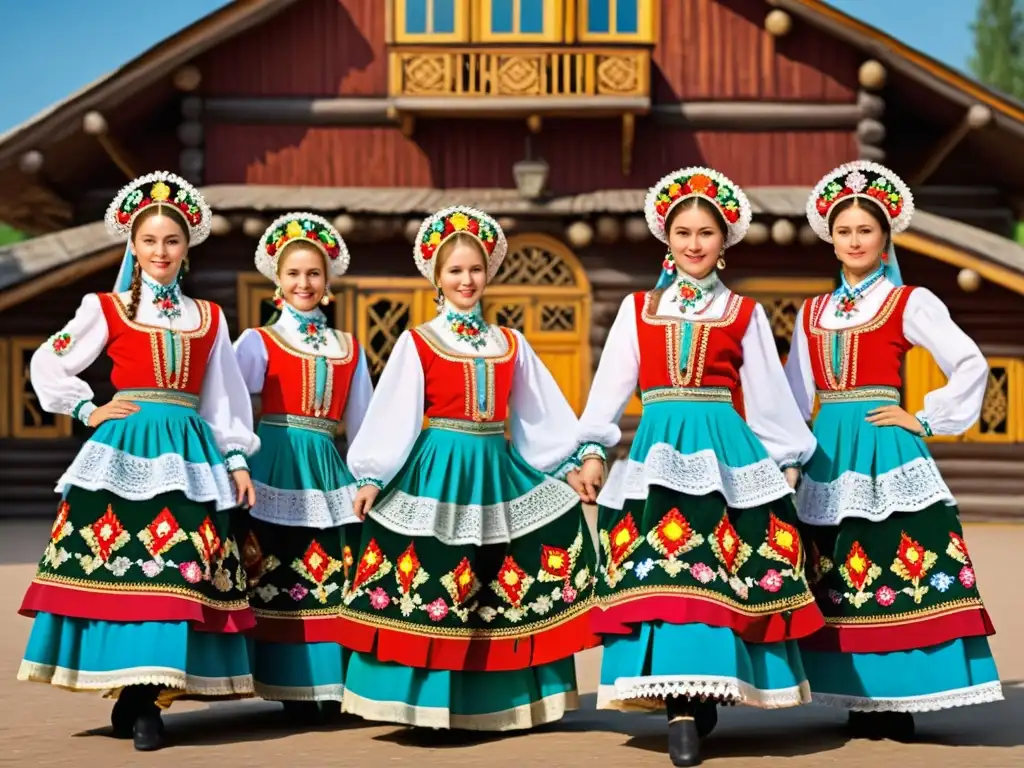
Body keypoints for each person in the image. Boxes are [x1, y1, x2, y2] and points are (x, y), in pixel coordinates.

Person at [575, 167, 824, 767]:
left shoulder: (744, 312)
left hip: (727, 454)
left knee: (720, 574)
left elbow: (767, 397)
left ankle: (706, 690)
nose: (693, 243)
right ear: (667, 238)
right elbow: (611, 386)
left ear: (724, 240)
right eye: (683, 231)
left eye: (705, 233)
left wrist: (787, 462)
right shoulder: (639, 309)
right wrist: (591, 448)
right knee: (665, 576)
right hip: (658, 450)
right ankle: (680, 706)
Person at [17, 171, 260, 751]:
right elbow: (49, 363)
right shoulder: (104, 307)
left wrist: (236, 458)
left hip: (191, 456)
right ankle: (134, 696)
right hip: (124, 452)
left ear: (187, 247)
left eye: (171, 241)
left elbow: (224, 396)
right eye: (148, 241)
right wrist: (87, 408)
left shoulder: (209, 317)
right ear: (133, 245)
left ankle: (143, 699)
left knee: (179, 577)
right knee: (125, 575)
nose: (160, 251)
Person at [335, 206, 599, 730]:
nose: (466, 280)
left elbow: (538, 416)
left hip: (495, 471)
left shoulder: (510, 344)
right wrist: (371, 475)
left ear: (488, 272)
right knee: (440, 576)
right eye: (454, 271)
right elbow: (395, 414)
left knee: (497, 580)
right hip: (440, 472)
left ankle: (503, 704)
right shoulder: (419, 341)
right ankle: (428, 706)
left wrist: (573, 464)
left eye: (475, 269)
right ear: (436, 276)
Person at [785, 160, 1003, 739]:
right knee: (836, 568)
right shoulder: (811, 312)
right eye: (845, 231)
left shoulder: (909, 300)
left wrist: (925, 417)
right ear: (831, 240)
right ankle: (856, 696)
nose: (854, 240)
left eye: (865, 230)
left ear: (885, 240)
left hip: (886, 442)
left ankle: (903, 696)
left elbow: (969, 362)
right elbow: (790, 394)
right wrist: (787, 455)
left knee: (892, 555)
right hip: (827, 449)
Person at [233, 212, 372, 720]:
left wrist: (368, 478)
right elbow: (228, 404)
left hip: (327, 469)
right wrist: (234, 461)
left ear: (328, 281)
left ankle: (328, 682)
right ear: (277, 281)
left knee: (328, 570)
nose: (304, 283)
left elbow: (363, 424)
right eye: (293, 274)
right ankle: (281, 680)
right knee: (273, 566)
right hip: (271, 462)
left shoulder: (349, 348)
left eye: (313, 274)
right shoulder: (257, 342)